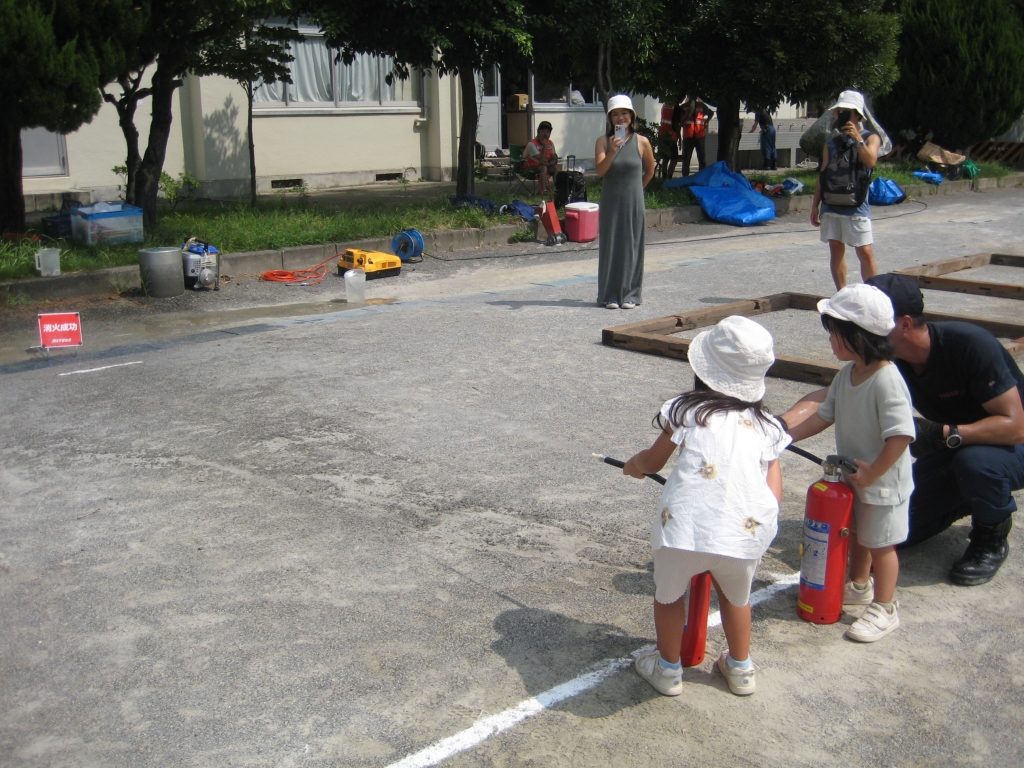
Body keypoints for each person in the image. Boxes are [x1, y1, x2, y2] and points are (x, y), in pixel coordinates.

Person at [780, 274, 1024, 586]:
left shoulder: (969, 346)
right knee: (892, 531)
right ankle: (966, 494)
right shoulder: (882, 361)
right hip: (958, 446)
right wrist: (778, 427)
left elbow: (1016, 427)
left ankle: (990, 536)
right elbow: (830, 400)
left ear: (904, 323)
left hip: (1009, 447)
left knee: (975, 464)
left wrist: (943, 433)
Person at [624, 316, 789, 696]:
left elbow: (652, 462)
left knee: (668, 595)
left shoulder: (687, 409)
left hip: (684, 531)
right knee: (737, 599)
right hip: (744, 533)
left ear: (703, 370)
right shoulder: (767, 425)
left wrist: (635, 465)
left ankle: (668, 670)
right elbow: (773, 490)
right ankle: (741, 669)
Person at [786, 284, 915, 642]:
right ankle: (859, 587)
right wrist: (787, 436)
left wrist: (875, 472)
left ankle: (885, 608)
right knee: (856, 534)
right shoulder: (847, 374)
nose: (830, 341)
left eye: (834, 333)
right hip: (855, 479)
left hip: (882, 482)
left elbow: (901, 435)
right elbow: (823, 416)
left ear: (858, 336)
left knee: (881, 545)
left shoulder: (887, 380)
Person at [811, 90, 884, 290]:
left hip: (856, 204)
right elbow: (822, 175)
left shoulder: (871, 138)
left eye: (847, 112)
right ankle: (841, 293)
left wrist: (857, 138)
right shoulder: (831, 143)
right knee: (836, 249)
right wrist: (815, 205)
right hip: (831, 203)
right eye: (840, 111)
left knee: (865, 251)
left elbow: (870, 162)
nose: (842, 115)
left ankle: (872, 293)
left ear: (858, 115)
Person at [594, 94, 656, 310]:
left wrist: (637, 190)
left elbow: (650, 171)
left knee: (632, 246)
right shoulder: (603, 141)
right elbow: (601, 171)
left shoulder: (642, 142)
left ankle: (631, 294)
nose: (620, 118)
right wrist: (613, 151)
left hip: (633, 202)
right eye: (615, 114)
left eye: (624, 113)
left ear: (631, 116)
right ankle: (609, 295)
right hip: (610, 202)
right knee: (610, 246)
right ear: (610, 119)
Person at [522, 120, 560, 196]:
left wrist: (549, 163)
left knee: (557, 167)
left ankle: (558, 190)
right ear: (538, 132)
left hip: (545, 165)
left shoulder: (550, 143)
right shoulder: (532, 144)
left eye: (548, 132)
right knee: (543, 167)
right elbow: (542, 160)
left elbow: (555, 159)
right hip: (529, 167)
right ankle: (543, 191)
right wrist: (545, 146)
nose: (545, 134)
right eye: (543, 131)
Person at [680, 97, 713, 176]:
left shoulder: (701, 105)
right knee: (686, 159)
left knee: (702, 159)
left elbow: (711, 113)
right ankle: (685, 177)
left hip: (700, 135)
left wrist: (706, 121)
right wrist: (687, 114)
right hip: (688, 136)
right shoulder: (683, 107)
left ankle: (702, 177)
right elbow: (680, 122)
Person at [659, 99, 681, 179]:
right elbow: (676, 124)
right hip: (671, 136)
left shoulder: (665, 104)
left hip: (662, 134)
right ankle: (669, 177)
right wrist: (680, 138)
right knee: (674, 159)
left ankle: (664, 177)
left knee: (665, 158)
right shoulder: (676, 107)